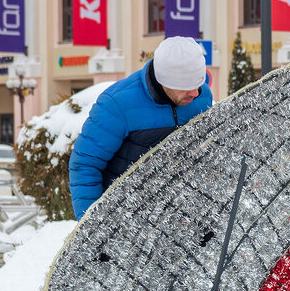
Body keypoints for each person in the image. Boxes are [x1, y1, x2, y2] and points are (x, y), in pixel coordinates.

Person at [69, 36, 215, 219]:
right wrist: (91, 225)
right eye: (186, 87)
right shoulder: (117, 103)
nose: (195, 93)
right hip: (126, 218)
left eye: (198, 84)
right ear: (165, 81)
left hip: (181, 215)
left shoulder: (201, 96)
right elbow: (85, 165)